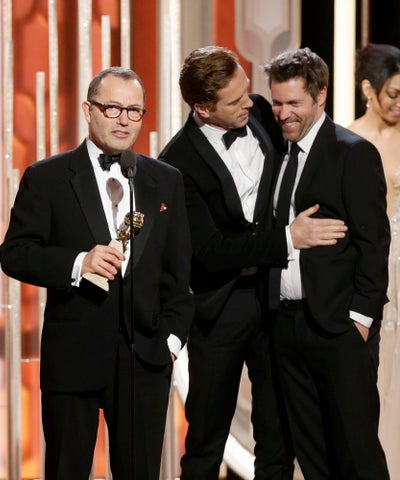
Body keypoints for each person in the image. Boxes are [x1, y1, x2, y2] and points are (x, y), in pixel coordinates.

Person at [159, 46, 346, 479]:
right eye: (235, 99)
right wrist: (287, 238)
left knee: (277, 436)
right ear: (202, 108)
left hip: (276, 301)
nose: (251, 102)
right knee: (207, 438)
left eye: (247, 91)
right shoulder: (176, 163)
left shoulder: (260, 112)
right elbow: (208, 252)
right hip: (221, 307)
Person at [0, 66, 193, 479]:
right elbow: (14, 253)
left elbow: (179, 274)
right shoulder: (48, 177)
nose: (124, 120)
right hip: (74, 357)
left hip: (146, 361)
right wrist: (77, 263)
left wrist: (171, 342)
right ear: (89, 110)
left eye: (134, 111)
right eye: (113, 108)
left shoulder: (165, 180)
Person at [264, 47, 391, 479]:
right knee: (312, 455)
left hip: (339, 328)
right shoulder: (278, 154)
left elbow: (376, 243)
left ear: (321, 96)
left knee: (356, 454)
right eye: (278, 103)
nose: (283, 113)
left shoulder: (352, 152)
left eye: (294, 103)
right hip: (288, 326)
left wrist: (359, 319)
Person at [348, 42, 400, 478]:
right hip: (375, 267)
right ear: (369, 89)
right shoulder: (351, 140)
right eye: (394, 93)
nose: (399, 104)